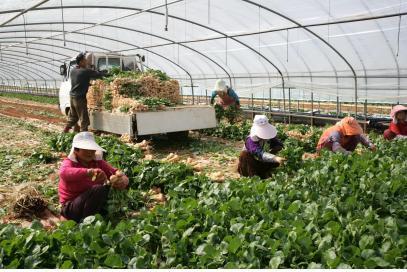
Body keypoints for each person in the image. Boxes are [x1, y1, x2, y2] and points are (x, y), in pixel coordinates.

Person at [59, 132, 128, 222]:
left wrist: (123, 178)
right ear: (76, 150)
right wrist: (88, 172)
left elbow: (114, 171)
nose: (90, 152)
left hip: (91, 204)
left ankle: (95, 217)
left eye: (92, 149)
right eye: (86, 149)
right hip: (72, 207)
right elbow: (64, 173)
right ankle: (86, 222)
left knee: (109, 187)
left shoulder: (98, 162)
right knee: (99, 189)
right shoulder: (69, 163)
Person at [63, 52, 106, 133]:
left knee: (73, 117)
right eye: (85, 60)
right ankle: (84, 138)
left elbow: (80, 81)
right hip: (79, 98)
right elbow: (99, 75)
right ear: (81, 62)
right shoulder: (85, 71)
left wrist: (88, 84)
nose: (87, 62)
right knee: (84, 120)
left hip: (72, 97)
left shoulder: (73, 71)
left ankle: (64, 133)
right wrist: (106, 73)